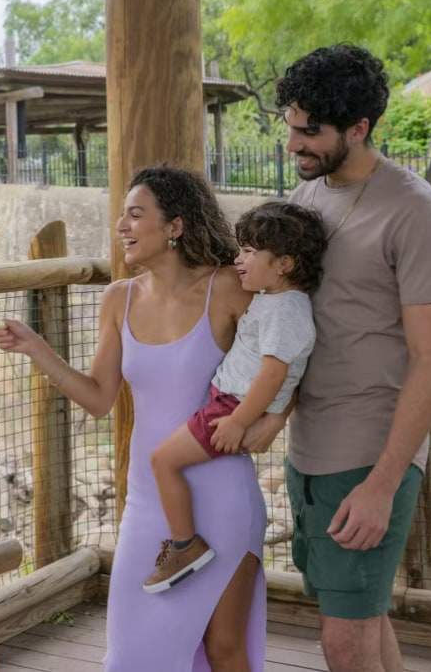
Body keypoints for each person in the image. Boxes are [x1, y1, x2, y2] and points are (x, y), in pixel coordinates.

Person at [0, 165, 267, 671]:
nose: (122, 225)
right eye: (121, 215)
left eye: (135, 214)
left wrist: (269, 423)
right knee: (129, 654)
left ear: (175, 227)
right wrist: (36, 349)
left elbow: (291, 354)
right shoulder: (117, 298)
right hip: (147, 502)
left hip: (223, 494)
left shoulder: (229, 288)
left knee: (223, 649)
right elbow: (100, 398)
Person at [241, 44, 431, 672]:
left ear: (359, 128)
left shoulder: (416, 211)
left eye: (309, 133)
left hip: (369, 457)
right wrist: (277, 420)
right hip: (311, 449)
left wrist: (383, 485)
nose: (293, 145)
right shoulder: (308, 199)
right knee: (363, 621)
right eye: (290, 127)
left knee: (344, 641)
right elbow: (304, 331)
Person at [144, 202, 327, 594]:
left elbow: (274, 373)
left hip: (231, 408)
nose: (237, 258)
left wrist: (240, 420)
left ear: (284, 264)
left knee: (162, 461)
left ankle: (184, 545)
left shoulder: (287, 309)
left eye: (248, 252)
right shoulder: (274, 300)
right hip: (229, 403)